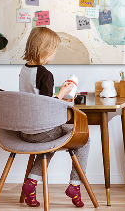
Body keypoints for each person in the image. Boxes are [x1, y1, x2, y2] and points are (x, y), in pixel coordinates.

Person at [19, 27, 89, 208]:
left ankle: (31, 183)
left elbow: (36, 99)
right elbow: (47, 106)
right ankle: (75, 185)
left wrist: (59, 95)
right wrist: (64, 93)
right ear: (45, 49)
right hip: (42, 131)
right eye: (54, 50)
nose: (54, 54)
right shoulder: (45, 74)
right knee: (84, 139)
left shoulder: (24, 70)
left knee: (49, 142)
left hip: (25, 131)